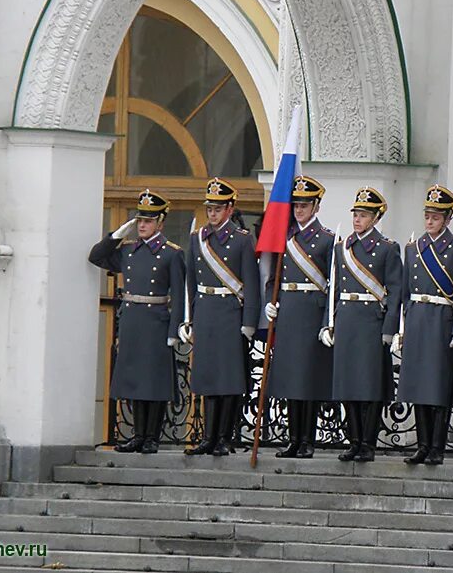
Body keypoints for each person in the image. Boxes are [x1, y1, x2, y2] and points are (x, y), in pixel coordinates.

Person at [88, 190, 185, 454]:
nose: (142, 225)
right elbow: (96, 256)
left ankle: (152, 436)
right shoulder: (128, 251)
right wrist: (117, 234)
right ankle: (137, 434)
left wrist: (175, 328)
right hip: (132, 321)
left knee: (154, 383)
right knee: (135, 381)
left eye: (148, 220)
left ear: (160, 223)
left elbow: (178, 293)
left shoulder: (171, 254)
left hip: (156, 322)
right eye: (139, 220)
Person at [320, 187, 403, 463]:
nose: (357, 219)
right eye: (356, 213)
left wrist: (390, 329)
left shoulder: (387, 249)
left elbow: (394, 290)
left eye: (364, 215)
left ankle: (368, 442)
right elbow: (334, 289)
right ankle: (353, 440)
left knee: (369, 387)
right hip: (347, 320)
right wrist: (328, 324)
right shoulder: (342, 247)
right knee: (348, 386)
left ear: (376, 218)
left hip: (371, 323)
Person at [181, 178, 260, 457]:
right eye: (209, 208)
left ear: (229, 209)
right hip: (206, 313)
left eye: (218, 209)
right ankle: (208, 436)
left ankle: (225, 437)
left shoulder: (242, 239)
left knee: (228, 381)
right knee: (208, 378)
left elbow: (250, 283)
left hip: (229, 314)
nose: (212, 214)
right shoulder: (197, 239)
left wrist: (249, 322)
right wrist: (188, 319)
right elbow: (190, 281)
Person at [263, 176, 335, 459]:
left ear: (316, 207)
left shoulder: (327, 239)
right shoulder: (284, 236)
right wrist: (272, 302)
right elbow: (273, 277)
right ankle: (294, 439)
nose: (299, 210)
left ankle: (308, 440)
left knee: (309, 380)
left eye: (305, 205)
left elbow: (333, 283)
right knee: (292, 380)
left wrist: (327, 321)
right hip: (289, 311)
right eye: (296, 205)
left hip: (312, 312)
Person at [391, 184, 453, 466]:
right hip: (418, 320)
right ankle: (422, 445)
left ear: (447, 219)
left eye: (436, 217)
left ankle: (437, 446)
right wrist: (403, 327)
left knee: (438, 387)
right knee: (419, 386)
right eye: (428, 216)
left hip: (442, 322)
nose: (430, 221)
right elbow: (406, 292)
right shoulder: (413, 248)